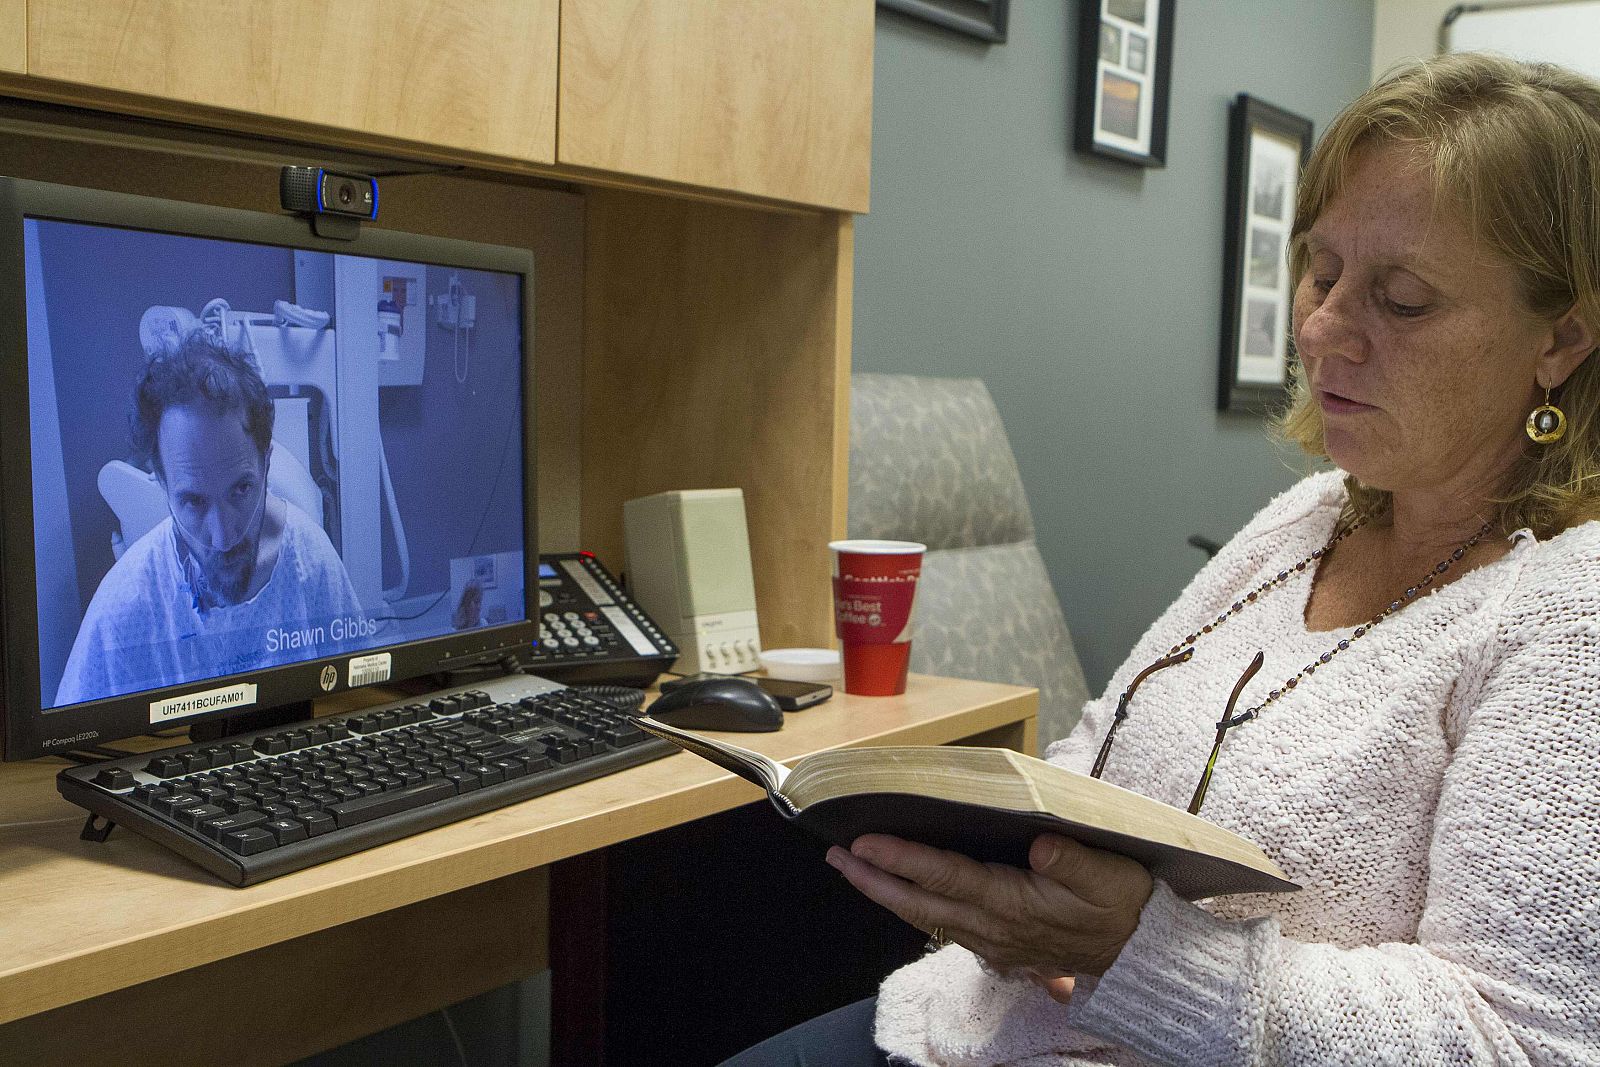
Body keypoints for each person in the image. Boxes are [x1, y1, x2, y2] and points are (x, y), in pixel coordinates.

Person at [725, 52, 1600, 1066]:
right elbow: (1098, 749)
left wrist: (1134, 950)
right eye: (1322, 271)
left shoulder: (1568, 612)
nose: (1319, 328)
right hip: (983, 1017)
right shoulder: (1309, 519)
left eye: (1400, 300)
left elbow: (1523, 1040)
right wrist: (988, 867)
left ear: (1563, 337)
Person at [55, 333, 363, 706]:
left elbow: (359, 699)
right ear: (163, 483)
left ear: (266, 463)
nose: (223, 537)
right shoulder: (124, 608)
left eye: (241, 489)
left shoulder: (310, 564)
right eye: (194, 501)